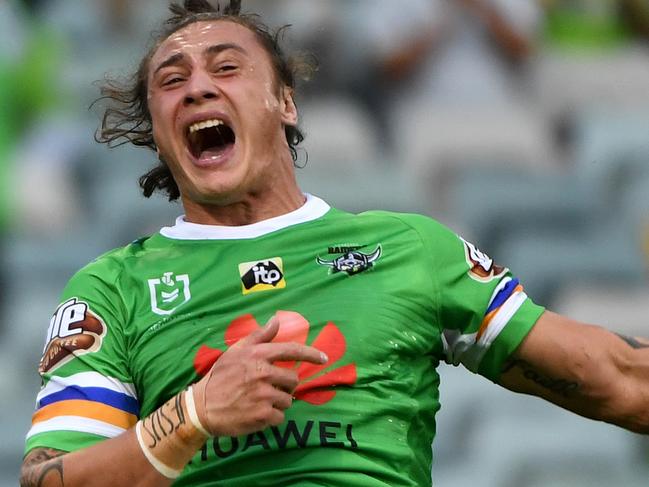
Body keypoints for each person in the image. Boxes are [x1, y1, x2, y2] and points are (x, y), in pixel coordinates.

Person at [19, 1, 649, 486]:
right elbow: (51, 477)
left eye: (228, 68)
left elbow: (615, 378)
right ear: (158, 133)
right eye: (172, 80)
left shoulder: (411, 249)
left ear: (285, 103)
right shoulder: (114, 288)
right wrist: (193, 416)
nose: (198, 88)